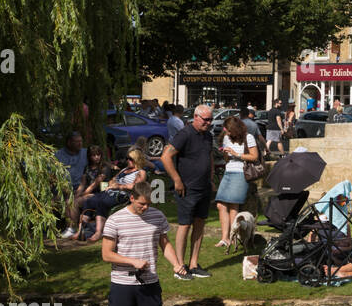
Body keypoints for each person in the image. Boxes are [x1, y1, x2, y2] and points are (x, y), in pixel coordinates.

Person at [101, 182, 181, 306]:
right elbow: (106, 254)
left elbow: (165, 244)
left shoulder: (157, 216)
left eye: (148, 204)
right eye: (141, 204)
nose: (145, 208)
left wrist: (176, 264)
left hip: (149, 282)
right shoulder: (115, 220)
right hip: (122, 284)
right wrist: (132, 261)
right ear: (132, 198)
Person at [160, 104, 215, 280]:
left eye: (210, 119)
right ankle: (180, 266)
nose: (208, 123)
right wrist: (176, 180)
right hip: (187, 188)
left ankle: (194, 264)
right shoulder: (184, 134)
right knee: (185, 225)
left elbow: (209, 157)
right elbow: (166, 156)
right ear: (196, 118)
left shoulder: (208, 136)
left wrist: (211, 179)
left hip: (204, 187)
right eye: (205, 120)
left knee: (200, 224)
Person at [78, 147, 149, 242]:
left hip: (122, 195)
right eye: (127, 158)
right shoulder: (124, 170)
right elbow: (113, 179)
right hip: (110, 191)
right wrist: (112, 184)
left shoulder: (141, 172)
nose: (127, 160)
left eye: (130, 159)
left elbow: (135, 187)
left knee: (102, 203)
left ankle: (98, 232)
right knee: (89, 201)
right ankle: (81, 231)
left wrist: (119, 186)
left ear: (137, 160)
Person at [213, 114, 259, 249]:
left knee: (234, 207)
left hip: (240, 173)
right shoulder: (227, 138)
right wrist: (226, 153)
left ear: (234, 128)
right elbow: (228, 158)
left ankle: (234, 238)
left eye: (228, 129)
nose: (225, 132)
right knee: (220, 205)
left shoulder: (248, 138)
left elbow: (254, 156)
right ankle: (225, 238)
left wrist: (236, 153)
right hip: (228, 171)